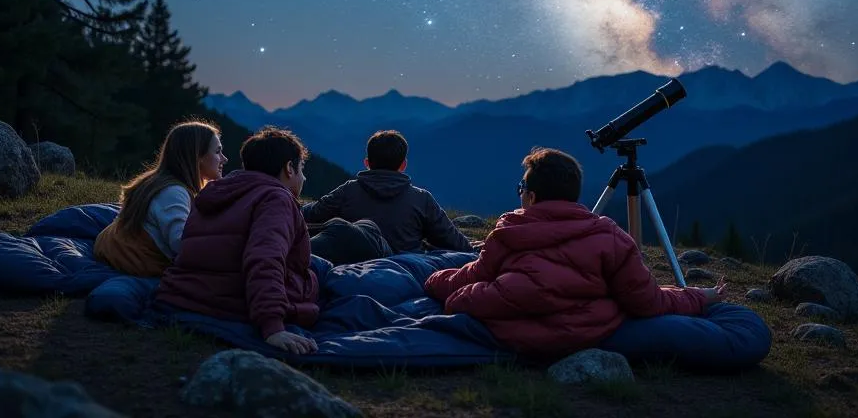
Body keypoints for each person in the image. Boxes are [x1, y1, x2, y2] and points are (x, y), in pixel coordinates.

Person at [424, 147, 726, 357]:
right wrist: (700, 296)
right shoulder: (611, 237)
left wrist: (432, 279)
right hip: (591, 332)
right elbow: (647, 301)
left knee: (465, 298)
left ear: (530, 197)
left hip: (513, 334)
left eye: (521, 190)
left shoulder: (507, 233)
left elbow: (474, 276)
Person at [156, 126, 320, 355]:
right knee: (326, 276)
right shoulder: (277, 198)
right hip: (232, 304)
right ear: (289, 168)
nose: (304, 177)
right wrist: (272, 326)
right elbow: (265, 258)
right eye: (301, 169)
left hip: (185, 296)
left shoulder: (213, 192)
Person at [301, 129, 473, 256]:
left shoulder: (348, 191)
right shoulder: (422, 199)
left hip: (356, 273)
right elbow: (457, 245)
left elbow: (309, 213)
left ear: (367, 163)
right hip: (407, 277)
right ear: (403, 165)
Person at [94, 120, 226, 278]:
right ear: (197, 157)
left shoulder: (161, 182)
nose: (224, 159)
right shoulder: (174, 192)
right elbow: (181, 244)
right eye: (218, 152)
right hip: (129, 260)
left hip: (112, 250)